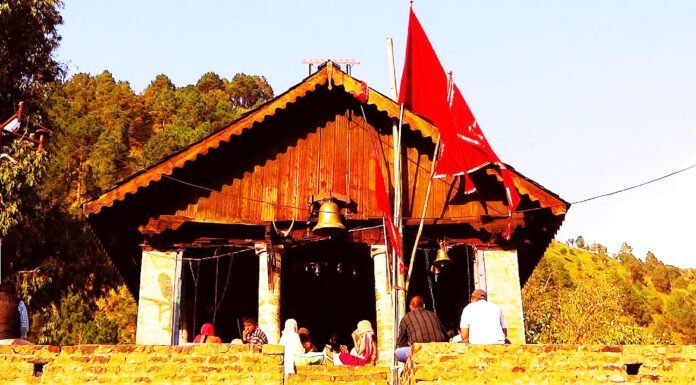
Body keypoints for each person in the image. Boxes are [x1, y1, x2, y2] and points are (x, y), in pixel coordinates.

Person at [395, 295, 448, 363]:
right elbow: (445, 335)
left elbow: (401, 343)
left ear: (410, 306)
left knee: (398, 352)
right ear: (423, 305)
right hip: (437, 349)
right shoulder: (433, 315)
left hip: (420, 350)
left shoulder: (406, 318)